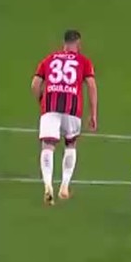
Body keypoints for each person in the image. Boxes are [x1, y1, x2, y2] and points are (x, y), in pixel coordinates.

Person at [32, 29, 98, 205]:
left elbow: (35, 84)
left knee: (48, 146)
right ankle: (64, 186)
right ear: (78, 43)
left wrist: (41, 100)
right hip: (72, 109)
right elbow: (91, 86)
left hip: (50, 107)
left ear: (64, 43)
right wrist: (93, 114)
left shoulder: (49, 59)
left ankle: (48, 186)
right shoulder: (84, 61)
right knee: (70, 144)